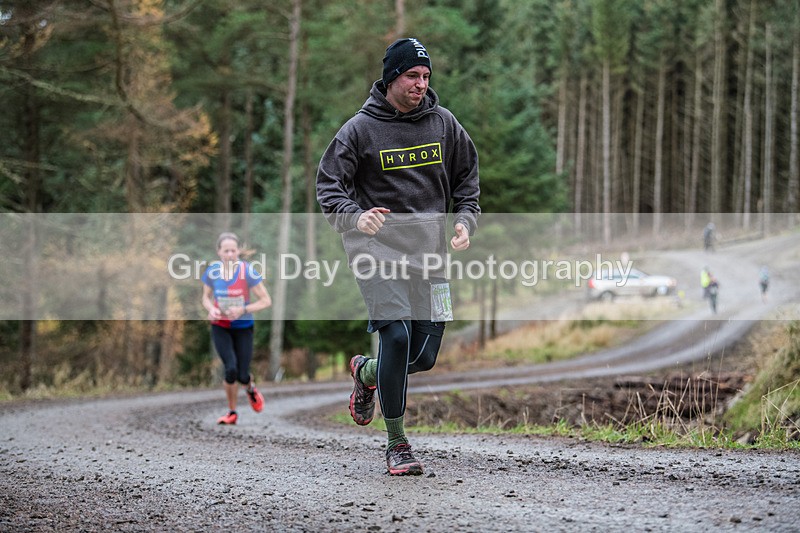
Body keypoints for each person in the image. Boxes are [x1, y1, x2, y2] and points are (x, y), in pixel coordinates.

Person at [316, 37, 480, 475]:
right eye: (412, 76)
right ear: (391, 77)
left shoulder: (444, 124)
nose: (420, 84)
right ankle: (397, 443)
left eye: (425, 76)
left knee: (424, 356)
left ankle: (367, 373)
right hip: (375, 252)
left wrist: (465, 221)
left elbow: (467, 180)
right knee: (398, 337)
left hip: (430, 256)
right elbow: (329, 186)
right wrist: (355, 217)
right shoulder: (359, 130)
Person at [202, 232, 272, 425]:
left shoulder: (247, 272)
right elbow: (205, 297)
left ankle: (250, 388)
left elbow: (266, 300)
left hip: (243, 326)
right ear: (219, 252)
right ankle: (232, 412)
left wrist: (243, 309)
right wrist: (211, 309)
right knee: (230, 369)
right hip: (220, 326)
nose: (230, 254)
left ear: (238, 251)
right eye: (226, 251)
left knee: (242, 375)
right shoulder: (212, 272)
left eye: (233, 250)